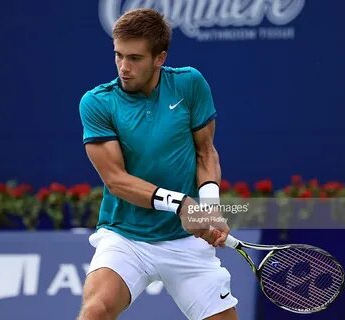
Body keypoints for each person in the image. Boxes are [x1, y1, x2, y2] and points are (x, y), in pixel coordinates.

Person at [78, 8, 238, 320]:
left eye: (135, 58)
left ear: (160, 58)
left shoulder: (190, 84)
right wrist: (181, 205)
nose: (124, 67)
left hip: (187, 243)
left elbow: (206, 153)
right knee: (96, 310)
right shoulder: (97, 103)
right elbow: (117, 180)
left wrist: (209, 206)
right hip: (126, 236)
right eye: (118, 55)